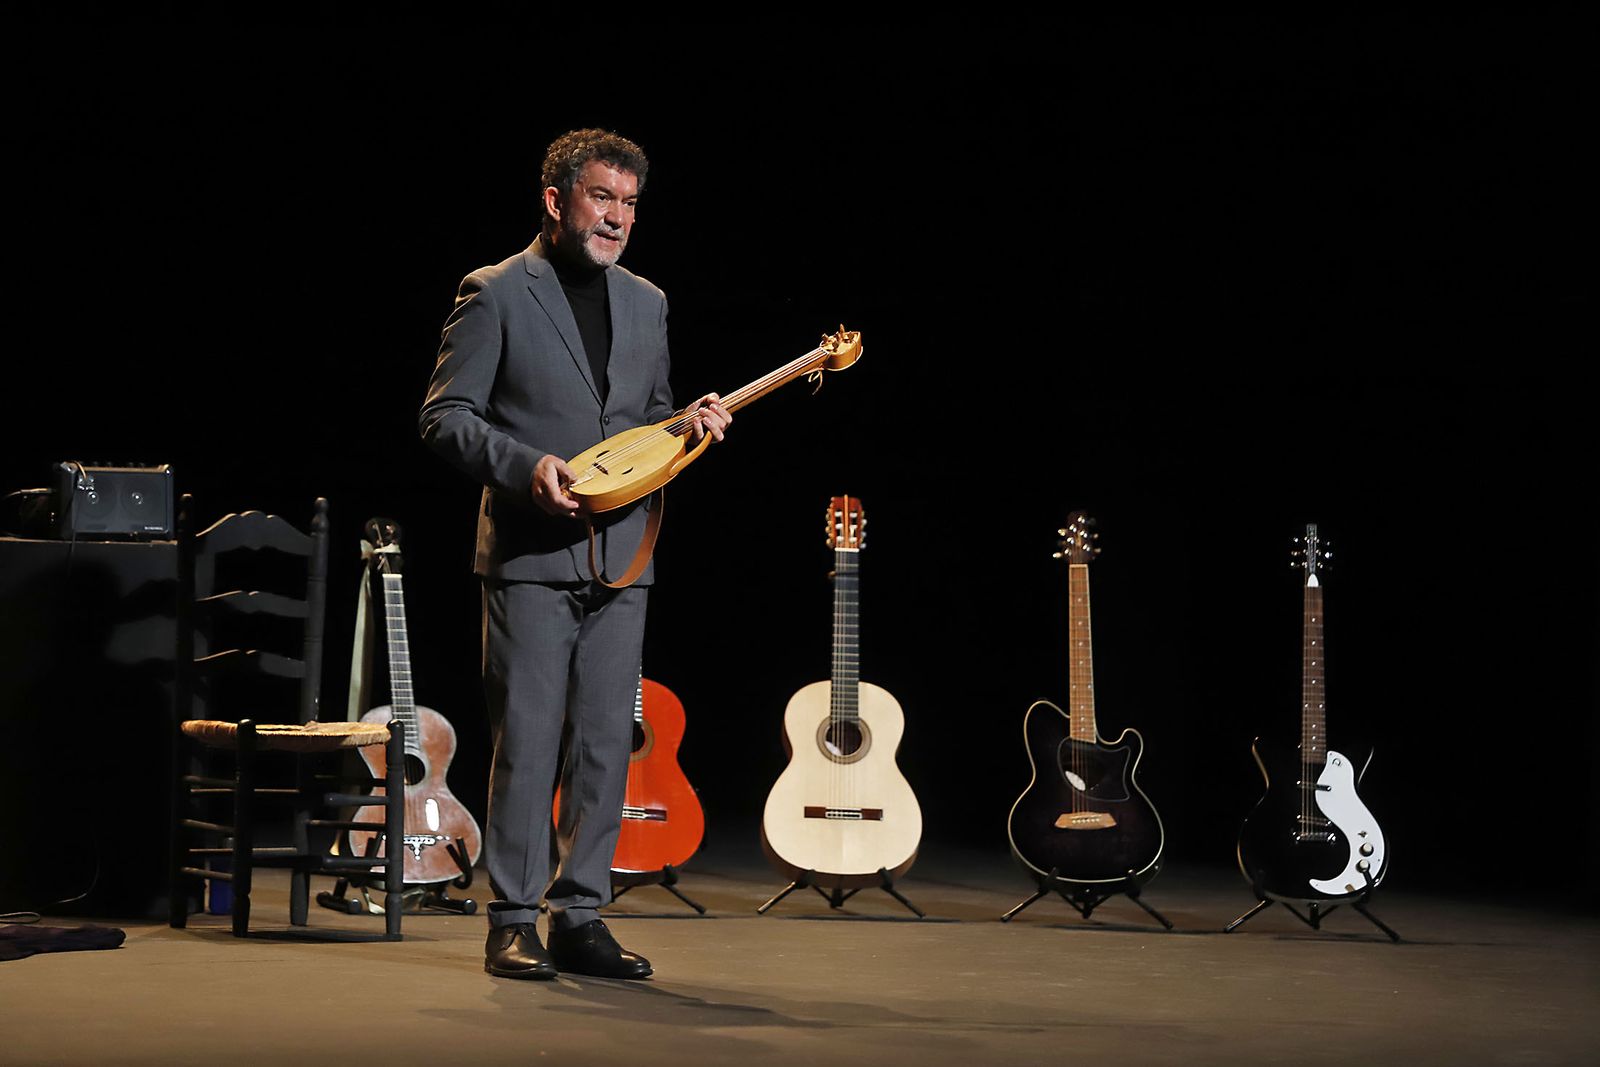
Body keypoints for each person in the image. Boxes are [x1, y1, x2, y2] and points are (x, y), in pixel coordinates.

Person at [418, 129, 729, 980]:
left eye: (630, 203)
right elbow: (444, 417)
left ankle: (580, 915)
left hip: (623, 558)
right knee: (528, 741)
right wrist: (526, 468)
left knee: (603, 742)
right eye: (602, 197)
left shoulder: (647, 301)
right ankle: (513, 918)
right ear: (556, 200)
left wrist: (690, 429)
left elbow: (649, 423)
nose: (617, 217)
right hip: (530, 554)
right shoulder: (495, 292)